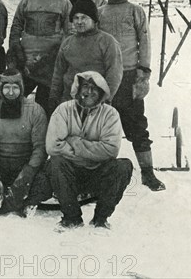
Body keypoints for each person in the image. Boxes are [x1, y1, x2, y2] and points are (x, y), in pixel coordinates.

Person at [98, 0, 165, 191]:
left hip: (129, 77)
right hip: (107, 78)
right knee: (102, 126)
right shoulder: (100, 12)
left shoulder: (136, 11)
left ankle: (147, 173)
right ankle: (101, 174)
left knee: (137, 125)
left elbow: (144, 43)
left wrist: (143, 73)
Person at [46, 71, 133, 230]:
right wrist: (91, 152)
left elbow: (111, 150)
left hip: (97, 173)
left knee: (123, 166)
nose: (90, 92)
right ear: (77, 89)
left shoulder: (110, 114)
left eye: (95, 88)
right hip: (69, 173)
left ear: (102, 92)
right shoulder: (63, 110)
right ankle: (71, 218)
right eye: (85, 86)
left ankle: (100, 220)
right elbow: (53, 146)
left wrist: (74, 142)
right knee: (56, 162)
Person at [0, 69, 49, 218]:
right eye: (6, 87)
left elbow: (40, 148)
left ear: (21, 88)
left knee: (45, 183)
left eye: (15, 87)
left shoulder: (35, 111)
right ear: (0, 89)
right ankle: (18, 201)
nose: (10, 92)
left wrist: (26, 175)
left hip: (24, 165)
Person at [8, 0, 72, 114]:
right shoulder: (26, 2)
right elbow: (16, 28)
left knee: (46, 107)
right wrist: (16, 51)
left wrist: (55, 56)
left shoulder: (63, 4)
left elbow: (70, 34)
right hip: (26, 65)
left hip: (50, 67)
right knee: (13, 101)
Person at [49, 0, 123, 110]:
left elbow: (114, 74)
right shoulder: (68, 42)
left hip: (95, 101)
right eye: (76, 18)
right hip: (69, 101)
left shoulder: (107, 41)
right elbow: (58, 73)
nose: (79, 22)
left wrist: (105, 100)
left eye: (84, 18)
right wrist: (54, 96)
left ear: (93, 19)